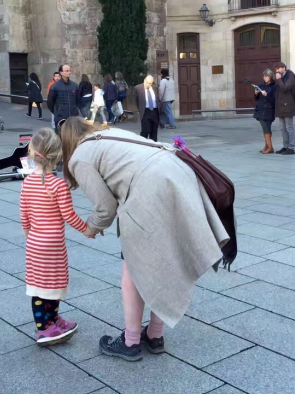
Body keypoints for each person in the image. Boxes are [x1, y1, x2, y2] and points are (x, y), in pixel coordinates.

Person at [59, 118, 228, 361]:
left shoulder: (79, 157)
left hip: (152, 187)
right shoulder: (110, 133)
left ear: (66, 141)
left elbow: (105, 207)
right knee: (165, 257)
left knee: (133, 266)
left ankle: (130, 342)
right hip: (178, 174)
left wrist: (91, 228)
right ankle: (155, 335)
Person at [19, 128, 92, 346]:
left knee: (39, 284)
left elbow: (24, 216)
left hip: (35, 242)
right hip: (53, 244)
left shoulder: (26, 182)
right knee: (54, 282)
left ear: (32, 152)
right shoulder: (58, 185)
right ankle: (44, 329)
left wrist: (29, 236)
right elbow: (69, 215)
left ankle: (50, 321)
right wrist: (87, 229)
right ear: (58, 155)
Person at [47, 64, 80, 131]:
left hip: (73, 117)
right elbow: (50, 102)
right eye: (66, 71)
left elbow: (78, 100)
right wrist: (56, 112)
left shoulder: (75, 85)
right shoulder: (55, 86)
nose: (69, 72)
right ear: (61, 73)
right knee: (60, 137)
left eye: (69, 71)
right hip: (60, 118)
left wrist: (75, 110)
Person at [274, 62, 295, 155]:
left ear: (283, 68)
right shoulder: (281, 76)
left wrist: (279, 80)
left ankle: (291, 148)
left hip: (288, 106)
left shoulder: (291, 76)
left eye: (278, 69)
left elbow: (285, 88)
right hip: (280, 106)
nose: (277, 72)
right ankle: (285, 146)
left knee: (289, 127)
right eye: (276, 70)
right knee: (282, 128)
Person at [253, 69, 277, 154]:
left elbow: (274, 100)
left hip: (269, 110)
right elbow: (256, 99)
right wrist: (256, 93)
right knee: (265, 128)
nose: (265, 77)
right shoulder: (261, 85)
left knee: (267, 128)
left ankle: (269, 147)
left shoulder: (274, 86)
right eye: (264, 76)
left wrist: (266, 95)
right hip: (260, 109)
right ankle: (268, 146)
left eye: (267, 76)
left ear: (271, 77)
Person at [134, 75, 160, 142]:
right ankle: (142, 144)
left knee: (154, 131)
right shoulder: (138, 88)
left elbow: (158, 99)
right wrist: (140, 110)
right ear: (144, 81)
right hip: (145, 111)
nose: (149, 85)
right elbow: (136, 101)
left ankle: (153, 146)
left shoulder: (155, 88)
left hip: (154, 111)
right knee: (145, 130)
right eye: (148, 83)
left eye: (151, 83)